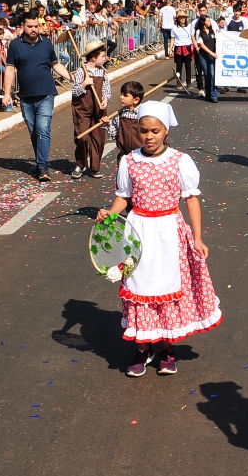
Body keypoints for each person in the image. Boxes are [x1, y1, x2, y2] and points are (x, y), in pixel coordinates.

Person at [95, 101, 221, 377]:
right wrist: (110, 213)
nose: (149, 136)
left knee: (165, 287)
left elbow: (191, 199)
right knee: (139, 287)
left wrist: (197, 237)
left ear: (166, 131)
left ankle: (165, 348)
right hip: (138, 230)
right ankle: (142, 347)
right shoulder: (129, 161)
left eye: (155, 131)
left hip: (169, 231)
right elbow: (124, 196)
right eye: (143, 131)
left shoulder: (180, 160)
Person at [0, 14, 70, 182]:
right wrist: (6, 93)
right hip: (26, 96)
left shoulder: (46, 43)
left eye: (36, 26)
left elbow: (55, 64)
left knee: (43, 129)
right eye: (30, 26)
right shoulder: (16, 45)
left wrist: (72, 77)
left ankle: (43, 166)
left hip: (46, 93)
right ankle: (40, 162)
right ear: (23, 26)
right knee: (34, 132)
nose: (33, 29)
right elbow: (9, 69)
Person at [72, 39, 111, 177]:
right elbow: (74, 92)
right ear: (94, 57)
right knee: (82, 136)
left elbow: (106, 89)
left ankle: (95, 167)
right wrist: (84, 84)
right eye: (102, 56)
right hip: (82, 109)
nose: (105, 58)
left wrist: (105, 99)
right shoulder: (81, 71)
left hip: (99, 110)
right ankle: (80, 164)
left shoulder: (103, 72)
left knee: (98, 138)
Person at [107, 80, 147, 156]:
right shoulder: (120, 115)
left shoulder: (144, 114)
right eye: (121, 94)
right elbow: (114, 135)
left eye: (125, 95)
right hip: (125, 156)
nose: (121, 97)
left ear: (136, 100)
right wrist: (108, 124)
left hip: (143, 156)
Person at [195, 16, 219, 103]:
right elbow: (201, 45)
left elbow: (217, 40)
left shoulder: (213, 31)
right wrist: (211, 53)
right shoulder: (199, 32)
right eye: (208, 21)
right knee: (207, 75)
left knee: (212, 75)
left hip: (212, 56)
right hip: (203, 55)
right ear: (203, 22)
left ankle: (214, 95)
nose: (210, 22)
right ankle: (208, 95)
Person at [169, 11, 195, 87]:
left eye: (184, 17)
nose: (182, 19)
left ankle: (188, 83)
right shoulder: (174, 27)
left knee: (188, 66)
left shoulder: (190, 26)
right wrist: (171, 49)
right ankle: (179, 83)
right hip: (178, 47)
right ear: (178, 19)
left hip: (187, 46)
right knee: (179, 66)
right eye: (181, 17)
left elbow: (192, 37)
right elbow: (172, 39)